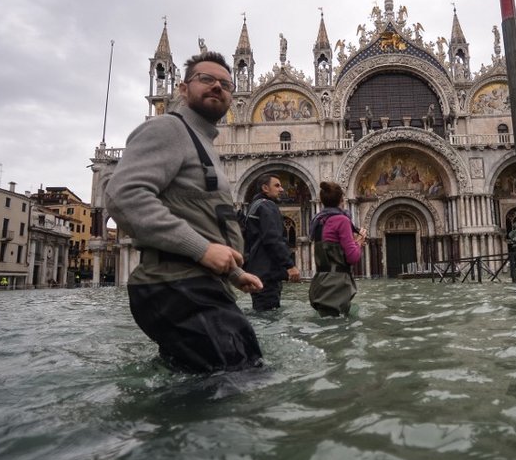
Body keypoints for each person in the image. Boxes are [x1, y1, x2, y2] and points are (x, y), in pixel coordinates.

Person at [104, 51, 265, 373]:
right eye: (206, 79)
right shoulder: (168, 129)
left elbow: (203, 218)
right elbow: (123, 195)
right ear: (182, 88)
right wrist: (202, 249)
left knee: (219, 381)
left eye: (225, 83)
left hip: (196, 285)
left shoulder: (202, 142)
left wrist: (234, 273)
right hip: (178, 286)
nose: (217, 87)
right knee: (237, 384)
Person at [307, 181, 366, 317]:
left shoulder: (318, 220)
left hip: (319, 284)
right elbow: (353, 257)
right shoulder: (342, 220)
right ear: (342, 200)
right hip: (336, 286)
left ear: (322, 201)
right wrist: (359, 241)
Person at [243, 174, 301, 311]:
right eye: (277, 185)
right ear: (265, 188)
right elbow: (273, 239)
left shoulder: (254, 206)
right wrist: (290, 265)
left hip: (256, 272)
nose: (281, 189)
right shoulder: (267, 206)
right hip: (267, 274)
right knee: (269, 315)